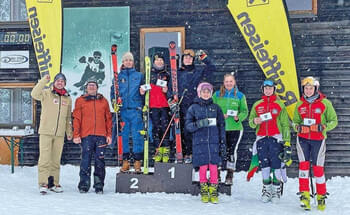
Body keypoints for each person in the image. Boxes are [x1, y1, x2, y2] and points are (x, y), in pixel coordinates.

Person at [293, 76, 338, 211]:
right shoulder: (299, 104)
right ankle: (305, 196)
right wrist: (298, 127)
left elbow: (333, 121)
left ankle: (321, 196)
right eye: (306, 88)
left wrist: (322, 127)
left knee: (318, 169)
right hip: (302, 139)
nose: (308, 90)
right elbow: (295, 122)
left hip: (318, 140)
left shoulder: (325, 103)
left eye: (310, 88)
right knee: (303, 168)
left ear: (315, 89)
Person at [169, 49, 215, 163]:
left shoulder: (198, 72)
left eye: (190, 58)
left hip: (193, 105)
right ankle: (180, 152)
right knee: (178, 130)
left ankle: (189, 153)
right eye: (185, 58)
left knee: (191, 131)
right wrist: (171, 102)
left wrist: (204, 58)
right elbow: (170, 89)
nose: (187, 60)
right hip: (179, 105)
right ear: (182, 60)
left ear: (193, 60)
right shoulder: (176, 72)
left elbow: (212, 68)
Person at [248, 79, 291, 203]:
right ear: (263, 89)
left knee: (276, 164)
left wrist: (287, 141)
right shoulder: (257, 104)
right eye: (266, 88)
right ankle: (267, 189)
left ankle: (276, 190)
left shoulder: (280, 105)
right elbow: (251, 122)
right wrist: (254, 121)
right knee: (265, 165)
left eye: (270, 88)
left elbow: (285, 124)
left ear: (274, 90)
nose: (268, 90)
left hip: (276, 139)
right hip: (261, 139)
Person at [31, 73, 73, 194]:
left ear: (65, 83)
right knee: (44, 159)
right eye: (58, 81)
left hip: (59, 134)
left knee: (55, 160)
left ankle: (54, 183)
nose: (60, 83)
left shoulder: (67, 98)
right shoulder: (46, 93)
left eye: (62, 81)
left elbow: (68, 118)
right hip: (46, 131)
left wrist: (69, 132)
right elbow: (34, 93)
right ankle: (43, 183)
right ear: (54, 82)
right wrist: (44, 80)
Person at [185, 82, 226, 204]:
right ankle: (204, 190)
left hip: (213, 142)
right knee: (202, 167)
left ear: (211, 93)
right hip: (200, 143)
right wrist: (199, 124)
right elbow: (188, 126)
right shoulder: (193, 108)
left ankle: (213, 190)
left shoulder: (216, 108)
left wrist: (222, 142)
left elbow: (221, 126)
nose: (206, 94)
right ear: (199, 93)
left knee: (213, 167)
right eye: (204, 91)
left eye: (208, 92)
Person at [72, 79, 112, 194]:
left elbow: (108, 119)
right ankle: (84, 185)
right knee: (86, 160)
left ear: (97, 88)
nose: (91, 87)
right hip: (86, 136)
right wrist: (76, 134)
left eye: (93, 85)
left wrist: (109, 134)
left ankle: (99, 185)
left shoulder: (103, 101)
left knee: (100, 161)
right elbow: (77, 119)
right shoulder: (80, 100)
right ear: (86, 88)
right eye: (89, 85)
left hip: (101, 135)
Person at [111, 52, 145, 173]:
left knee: (137, 137)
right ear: (123, 62)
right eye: (126, 60)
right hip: (123, 111)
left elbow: (145, 91)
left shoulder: (139, 76)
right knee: (124, 136)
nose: (128, 62)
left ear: (133, 62)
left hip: (136, 110)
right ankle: (125, 162)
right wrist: (115, 104)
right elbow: (112, 93)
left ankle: (137, 162)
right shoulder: (118, 77)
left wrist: (143, 94)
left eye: (130, 60)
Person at [212, 73, 248, 185]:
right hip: (219, 128)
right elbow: (212, 108)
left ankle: (229, 174)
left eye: (230, 81)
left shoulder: (240, 96)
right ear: (223, 82)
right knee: (217, 151)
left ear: (234, 82)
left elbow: (244, 111)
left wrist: (239, 117)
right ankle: (216, 174)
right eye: (226, 81)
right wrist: (219, 115)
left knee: (231, 152)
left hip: (235, 128)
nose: (228, 83)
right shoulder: (217, 94)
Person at [149, 53, 171, 163]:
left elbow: (171, 90)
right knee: (155, 128)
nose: (159, 62)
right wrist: (142, 91)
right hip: (153, 105)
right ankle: (158, 150)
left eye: (161, 60)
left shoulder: (167, 74)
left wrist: (167, 91)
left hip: (164, 105)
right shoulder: (149, 74)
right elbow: (144, 89)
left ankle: (166, 150)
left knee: (165, 127)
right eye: (157, 60)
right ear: (154, 62)